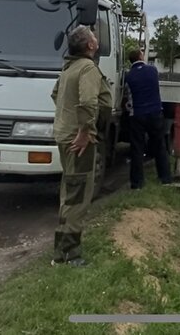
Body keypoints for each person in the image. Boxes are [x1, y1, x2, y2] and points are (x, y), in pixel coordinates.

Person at [50, 25, 110, 267]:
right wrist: (84, 131)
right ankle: (69, 255)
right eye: (94, 38)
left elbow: (55, 95)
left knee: (69, 192)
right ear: (90, 46)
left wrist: (67, 119)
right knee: (78, 196)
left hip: (65, 136)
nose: (97, 40)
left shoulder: (68, 68)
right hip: (79, 141)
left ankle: (60, 250)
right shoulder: (86, 67)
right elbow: (88, 101)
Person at [124, 48, 172, 189]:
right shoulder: (152, 70)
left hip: (137, 115)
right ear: (140, 56)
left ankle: (137, 183)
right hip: (155, 112)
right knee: (159, 146)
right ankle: (165, 178)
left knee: (137, 149)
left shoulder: (129, 76)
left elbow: (128, 95)